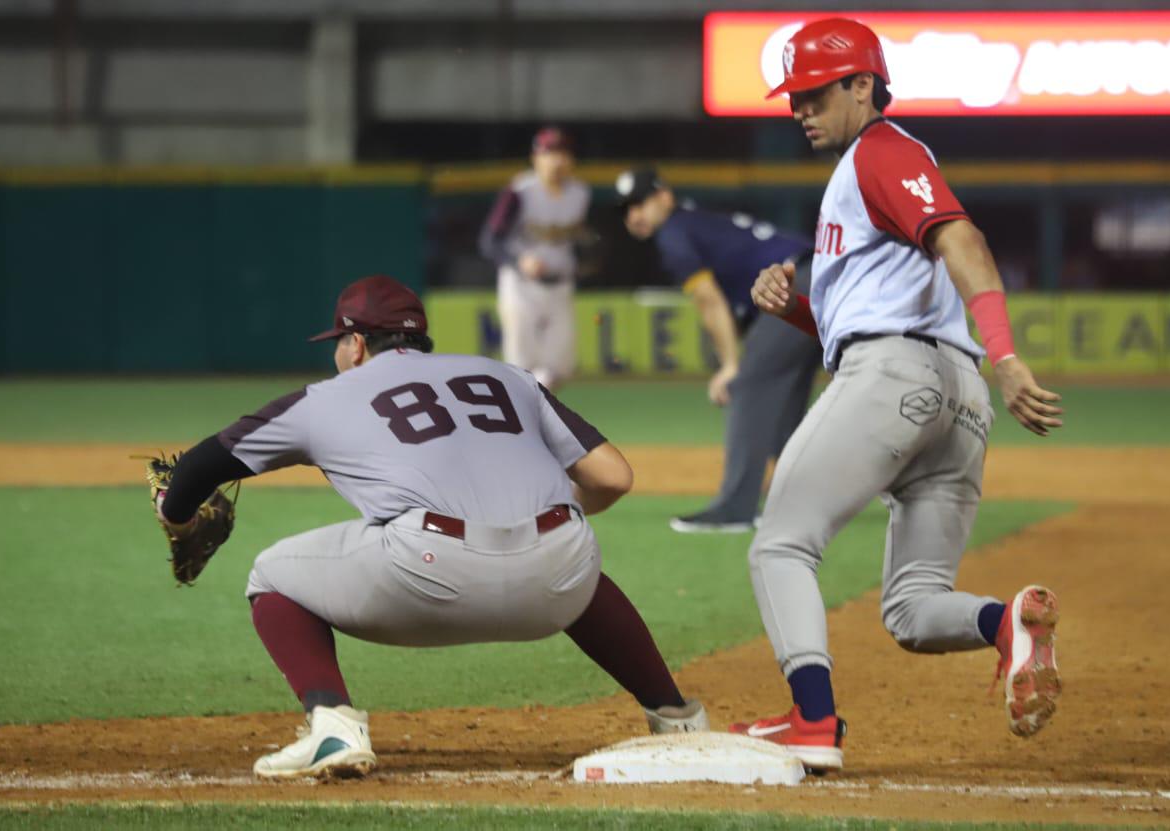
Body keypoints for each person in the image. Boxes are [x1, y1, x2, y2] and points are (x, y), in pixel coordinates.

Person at [153, 275, 709, 780]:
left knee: (271, 574)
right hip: (559, 580)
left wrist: (174, 516)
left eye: (339, 345)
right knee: (573, 558)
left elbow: (201, 465)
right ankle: (677, 717)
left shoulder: (323, 398)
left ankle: (333, 726)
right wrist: (551, 524)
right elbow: (614, 476)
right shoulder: (506, 376)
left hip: (429, 573)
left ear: (356, 344)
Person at [727, 18, 1064, 772]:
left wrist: (1007, 353)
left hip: (904, 380)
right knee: (912, 608)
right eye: (794, 98)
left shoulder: (883, 151)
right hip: (956, 402)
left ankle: (812, 720)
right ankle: (1006, 623)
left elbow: (963, 241)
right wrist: (797, 311)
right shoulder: (866, 171)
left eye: (814, 93)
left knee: (780, 543)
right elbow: (867, 320)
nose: (800, 110)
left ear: (863, 86)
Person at [617, 168, 820, 533]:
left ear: (664, 196)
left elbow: (709, 302)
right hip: (819, 276)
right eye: (626, 209)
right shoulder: (695, 222)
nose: (634, 215)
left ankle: (734, 508)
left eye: (640, 203)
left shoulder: (674, 233)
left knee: (748, 384)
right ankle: (809, 497)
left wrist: (729, 365)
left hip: (794, 282)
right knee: (783, 404)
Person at [479, 126, 590, 390]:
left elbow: (581, 240)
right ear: (536, 158)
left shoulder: (580, 194)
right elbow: (489, 241)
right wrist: (520, 262)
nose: (557, 160)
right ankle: (525, 425)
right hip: (521, 287)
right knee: (522, 368)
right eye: (550, 153)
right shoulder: (520, 192)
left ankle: (535, 420)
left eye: (563, 153)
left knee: (558, 369)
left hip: (560, 285)